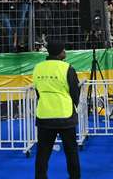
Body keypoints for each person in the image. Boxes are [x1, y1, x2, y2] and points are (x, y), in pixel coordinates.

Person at [33, 41, 80, 179]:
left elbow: (38, 91)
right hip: (65, 115)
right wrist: (73, 105)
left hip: (44, 115)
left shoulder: (38, 68)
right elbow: (75, 92)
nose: (65, 52)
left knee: (42, 153)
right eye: (64, 50)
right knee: (71, 151)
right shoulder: (67, 68)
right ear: (60, 52)